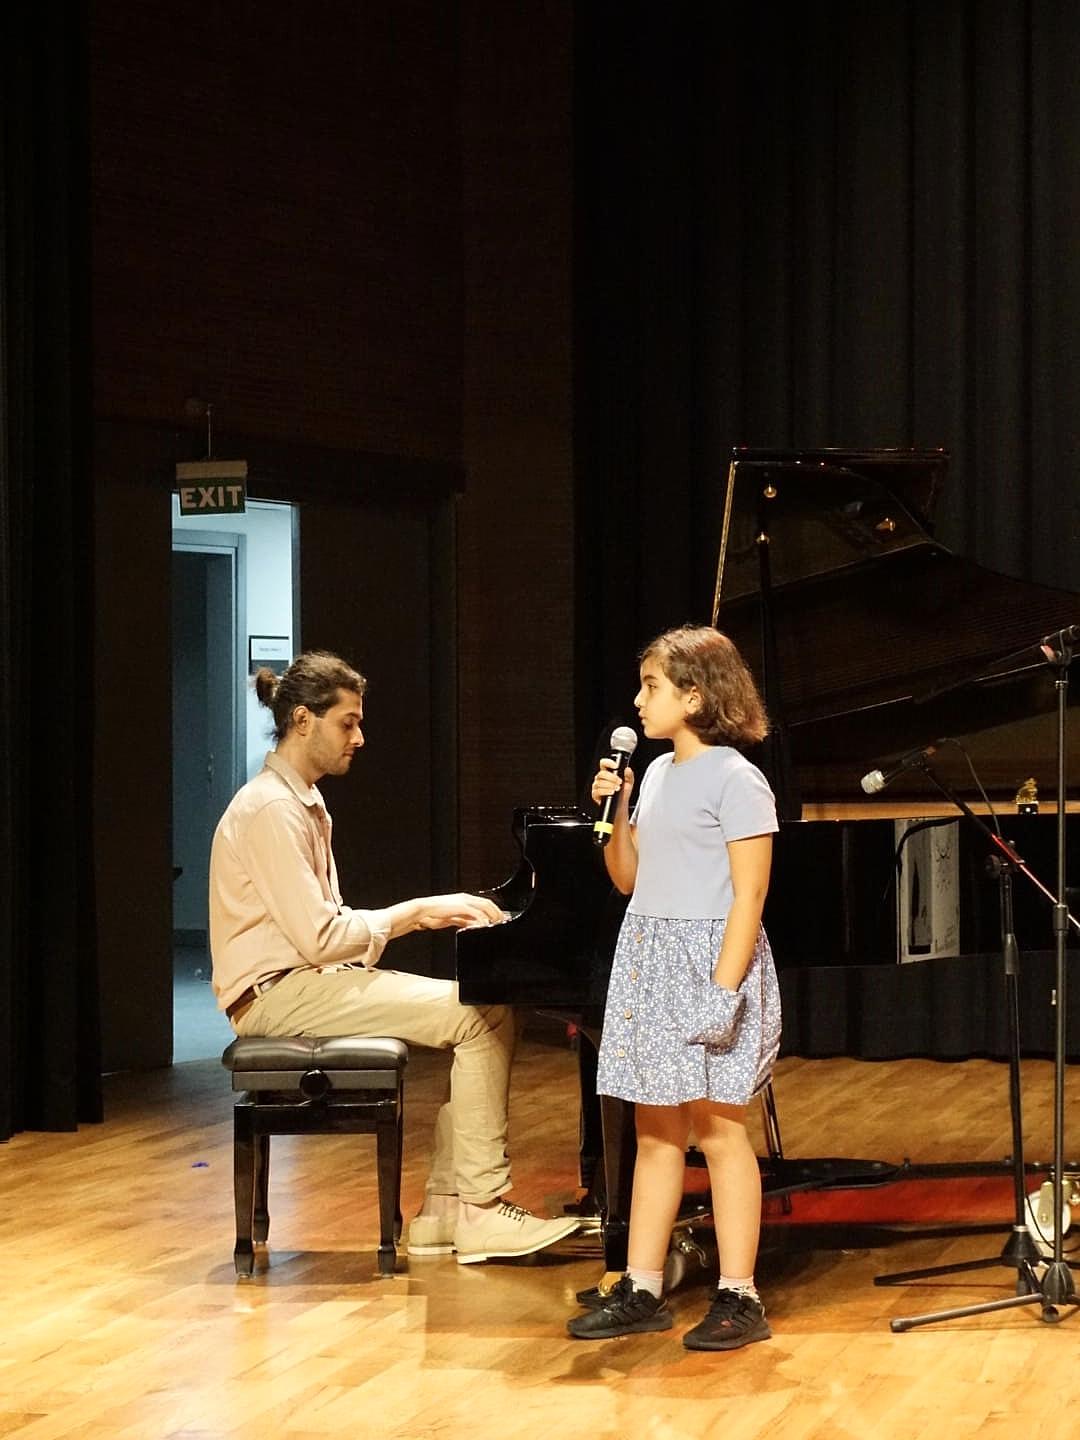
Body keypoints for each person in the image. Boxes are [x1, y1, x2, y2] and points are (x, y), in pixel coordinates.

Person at [209, 650, 579, 1264]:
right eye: (347, 722)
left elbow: (322, 935)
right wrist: (420, 912)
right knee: (479, 1013)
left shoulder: (299, 801)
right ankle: (478, 1209)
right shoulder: (271, 808)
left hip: (305, 983)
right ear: (302, 720)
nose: (359, 737)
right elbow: (321, 938)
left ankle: (444, 1211)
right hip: (277, 995)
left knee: (485, 1008)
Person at [567, 624, 779, 1350]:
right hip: (651, 960)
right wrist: (616, 815)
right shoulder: (655, 773)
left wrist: (723, 991)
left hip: (709, 962)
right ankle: (642, 1287)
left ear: (694, 696)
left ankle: (740, 1295)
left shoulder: (737, 779)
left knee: (719, 1131)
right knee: (656, 1130)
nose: (638, 700)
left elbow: (750, 895)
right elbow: (628, 879)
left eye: (651, 686)